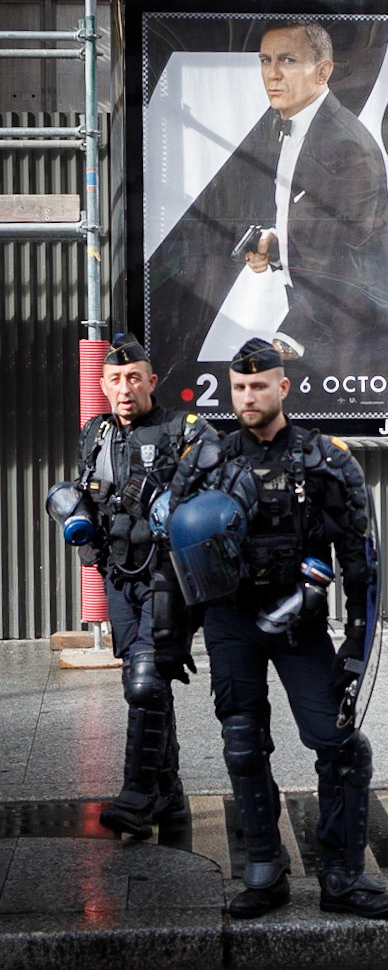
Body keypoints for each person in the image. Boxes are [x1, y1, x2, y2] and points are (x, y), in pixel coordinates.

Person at [203, 338, 388, 920]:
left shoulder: (327, 460)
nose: (247, 396)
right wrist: (167, 635)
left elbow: (361, 564)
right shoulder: (208, 458)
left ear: (282, 387)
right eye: (239, 387)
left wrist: (357, 648)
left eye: (259, 386)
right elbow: (178, 551)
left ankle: (342, 877)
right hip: (232, 621)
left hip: (300, 626)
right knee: (243, 745)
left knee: (339, 746)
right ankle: (264, 871)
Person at [149, 21, 388, 385]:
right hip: (325, 342)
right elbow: (313, 231)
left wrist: (289, 337)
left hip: (359, 347)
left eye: (288, 61)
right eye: (265, 60)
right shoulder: (289, 128)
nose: (272, 74)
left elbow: (340, 260)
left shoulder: (347, 147)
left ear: (323, 72)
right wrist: (273, 244)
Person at [57, 334, 222, 840]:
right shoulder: (96, 434)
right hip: (119, 575)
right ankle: (169, 795)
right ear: (103, 385)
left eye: (134, 378)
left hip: (168, 575)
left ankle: (136, 796)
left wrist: (170, 493)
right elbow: (87, 491)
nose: (125, 387)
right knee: (144, 682)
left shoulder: (184, 429)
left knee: (146, 681)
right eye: (114, 379)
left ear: (152, 381)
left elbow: (216, 480)